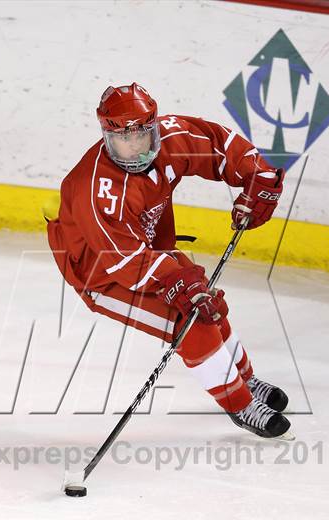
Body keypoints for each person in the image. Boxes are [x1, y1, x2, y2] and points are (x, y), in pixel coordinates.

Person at [47, 82, 292, 439]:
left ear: (153, 126)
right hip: (102, 274)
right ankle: (240, 404)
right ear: (106, 135)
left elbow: (216, 145)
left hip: (145, 253)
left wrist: (258, 174)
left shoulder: (170, 138)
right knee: (190, 322)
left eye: (141, 135)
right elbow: (123, 262)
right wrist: (176, 281)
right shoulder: (97, 189)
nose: (133, 148)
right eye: (121, 139)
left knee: (206, 305)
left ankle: (246, 380)